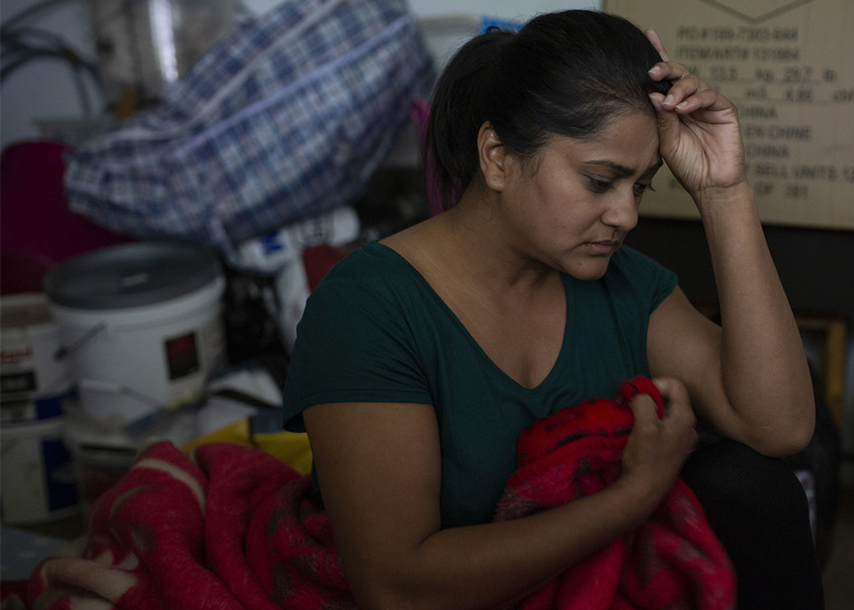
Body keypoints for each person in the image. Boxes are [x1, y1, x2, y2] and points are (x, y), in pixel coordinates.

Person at [283, 9, 823, 609]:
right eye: (599, 181)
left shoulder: (624, 285)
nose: (627, 215)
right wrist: (629, 499)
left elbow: (780, 426)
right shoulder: (370, 309)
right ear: (497, 156)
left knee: (755, 487)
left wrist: (725, 193)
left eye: (640, 185)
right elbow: (396, 588)